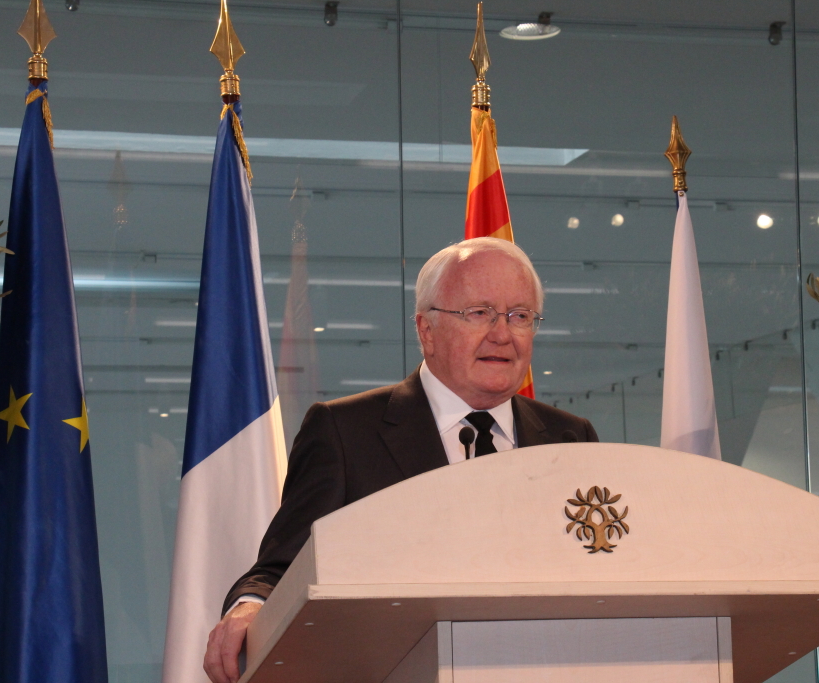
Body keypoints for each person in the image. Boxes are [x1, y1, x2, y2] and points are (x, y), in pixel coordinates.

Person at [202, 237, 598, 683]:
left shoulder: (571, 438)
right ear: (426, 329)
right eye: (480, 313)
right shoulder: (344, 432)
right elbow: (280, 569)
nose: (502, 334)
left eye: (520, 316)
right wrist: (249, 609)